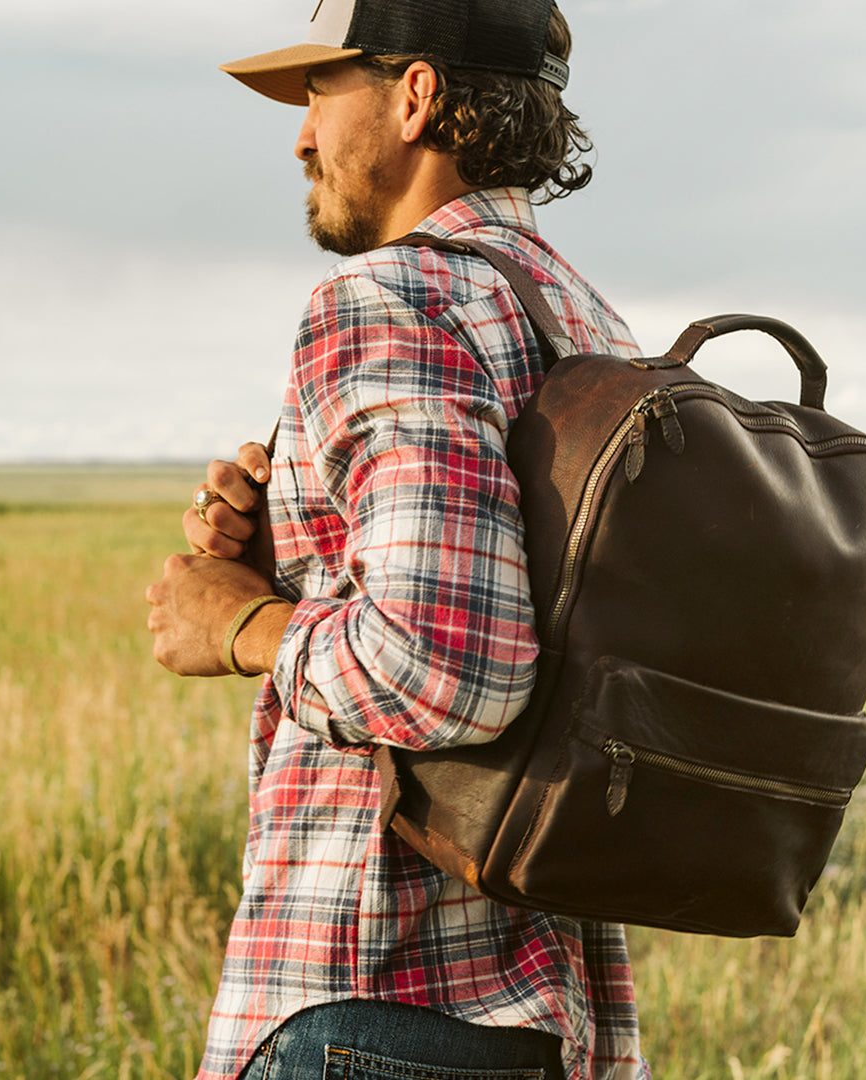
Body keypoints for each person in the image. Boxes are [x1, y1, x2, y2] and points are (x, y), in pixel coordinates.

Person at [146, 1, 650, 1077]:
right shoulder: (582, 318)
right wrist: (295, 559)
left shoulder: (389, 299)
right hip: (540, 1000)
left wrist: (239, 622)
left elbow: (446, 667)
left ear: (416, 95)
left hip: (378, 994)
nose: (301, 137)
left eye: (320, 92)